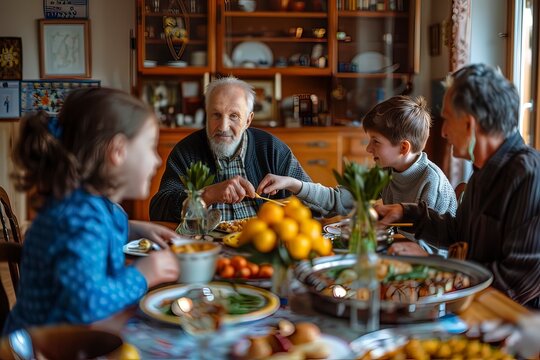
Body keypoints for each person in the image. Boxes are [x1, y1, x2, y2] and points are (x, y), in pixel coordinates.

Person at [3, 88, 180, 334]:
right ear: (118, 151)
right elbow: (86, 305)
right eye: (151, 147)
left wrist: (136, 229)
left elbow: (101, 231)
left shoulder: (93, 205)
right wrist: (144, 275)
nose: (158, 160)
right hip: (45, 349)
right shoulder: (77, 218)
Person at [375, 64, 540, 308]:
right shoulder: (483, 169)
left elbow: (514, 282)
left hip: (512, 325)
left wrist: (435, 269)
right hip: (473, 308)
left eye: (447, 119)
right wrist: (405, 212)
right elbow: (457, 232)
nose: (442, 132)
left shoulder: (528, 175)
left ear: (470, 125)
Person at [257, 96, 457, 222]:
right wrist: (292, 183)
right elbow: (338, 200)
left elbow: (433, 247)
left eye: (376, 141)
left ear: (404, 147)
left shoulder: (432, 183)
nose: (369, 148)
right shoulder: (385, 172)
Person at [149, 76, 311, 222]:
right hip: (206, 245)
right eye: (216, 115)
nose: (223, 127)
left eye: (234, 116)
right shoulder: (186, 152)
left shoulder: (272, 149)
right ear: (207, 114)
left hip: (261, 244)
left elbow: (316, 206)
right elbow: (158, 209)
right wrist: (206, 196)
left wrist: (291, 189)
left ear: (248, 120)